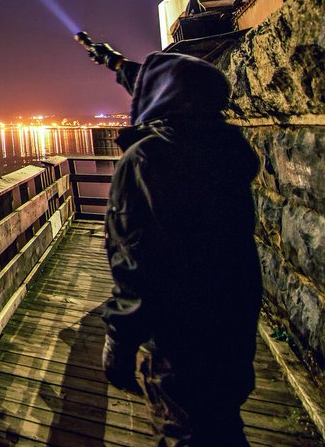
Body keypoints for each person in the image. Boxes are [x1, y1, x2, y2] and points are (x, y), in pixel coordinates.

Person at [80, 36, 261, 446]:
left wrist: (120, 339)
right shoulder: (222, 152)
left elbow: (137, 259)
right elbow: (157, 82)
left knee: (186, 431)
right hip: (233, 326)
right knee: (222, 425)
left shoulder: (147, 161)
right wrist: (111, 60)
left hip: (181, 338)